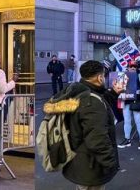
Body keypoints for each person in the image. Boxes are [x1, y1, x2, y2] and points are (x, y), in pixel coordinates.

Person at [51, 60, 122, 190]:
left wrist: (113, 94)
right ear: (100, 77)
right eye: (103, 76)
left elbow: (99, 99)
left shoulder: (77, 91)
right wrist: (111, 163)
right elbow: (97, 139)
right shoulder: (91, 101)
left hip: (78, 160)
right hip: (91, 166)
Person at [118, 61, 140, 150]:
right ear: (128, 67)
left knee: (138, 119)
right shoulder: (123, 76)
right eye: (131, 66)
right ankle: (127, 139)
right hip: (126, 100)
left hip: (136, 100)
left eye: (134, 66)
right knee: (127, 120)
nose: (133, 68)